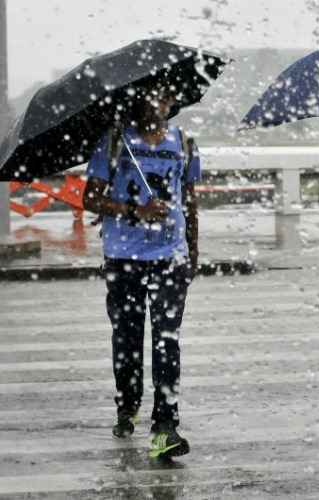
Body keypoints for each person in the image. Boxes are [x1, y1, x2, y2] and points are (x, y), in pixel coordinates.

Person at [83, 82, 200, 460]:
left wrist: (193, 250)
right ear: (138, 101)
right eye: (154, 96)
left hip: (171, 256)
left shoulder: (184, 143)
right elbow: (90, 197)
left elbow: (191, 198)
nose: (161, 103)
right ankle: (127, 400)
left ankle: (165, 426)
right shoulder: (116, 141)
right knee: (127, 337)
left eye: (167, 97)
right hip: (123, 257)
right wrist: (135, 212)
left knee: (166, 339)